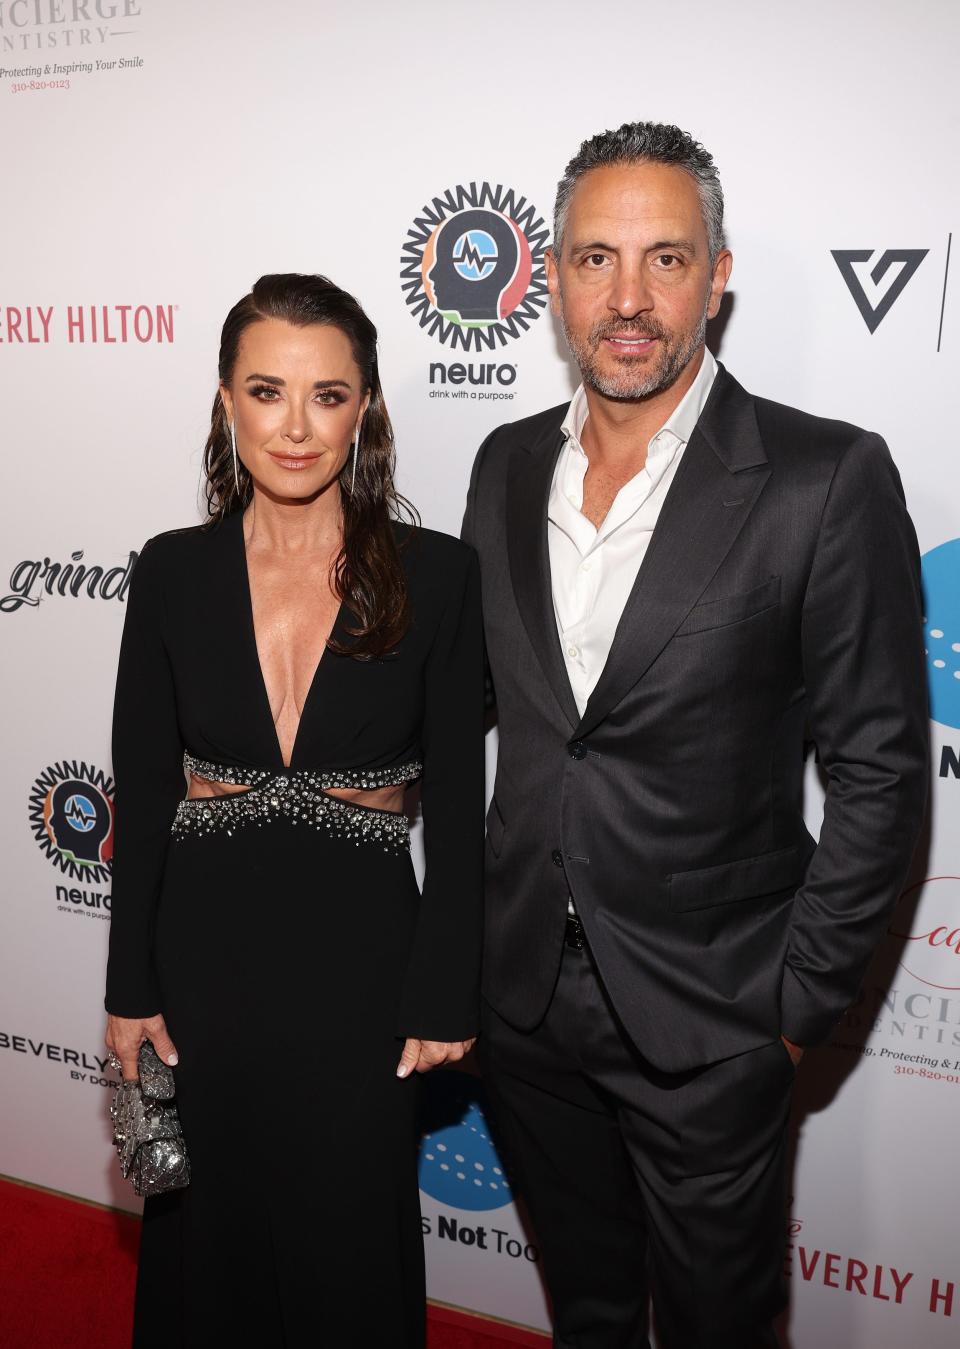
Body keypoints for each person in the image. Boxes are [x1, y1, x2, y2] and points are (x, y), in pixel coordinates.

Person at [462, 122, 928, 1349]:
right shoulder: (504, 466)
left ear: (717, 275)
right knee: (593, 1309)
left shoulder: (822, 479)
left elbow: (882, 772)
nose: (628, 299)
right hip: (520, 1002)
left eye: (666, 259)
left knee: (721, 1327)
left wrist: (790, 1010)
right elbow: (488, 714)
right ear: (552, 279)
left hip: (714, 1018)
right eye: (596, 259)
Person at [104, 273, 484, 1349]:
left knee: (347, 1234)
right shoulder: (173, 572)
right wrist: (129, 983)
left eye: (329, 394)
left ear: (364, 407)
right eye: (268, 389)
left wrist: (446, 978)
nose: (297, 425)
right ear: (227, 400)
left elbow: (459, 799)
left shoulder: (439, 575)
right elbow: (141, 777)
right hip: (202, 953)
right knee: (205, 1231)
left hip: (363, 963)